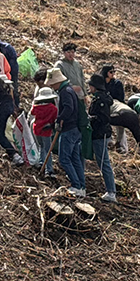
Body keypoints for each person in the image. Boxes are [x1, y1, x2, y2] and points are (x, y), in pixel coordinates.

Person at [49, 67, 87, 197]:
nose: (52, 86)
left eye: (52, 83)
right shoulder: (70, 90)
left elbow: (68, 108)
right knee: (75, 158)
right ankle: (82, 187)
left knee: (64, 159)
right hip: (75, 129)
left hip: (69, 129)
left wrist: (60, 119)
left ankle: (76, 185)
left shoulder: (65, 92)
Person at [86, 75, 120, 202]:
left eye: (91, 85)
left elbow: (104, 118)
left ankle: (111, 192)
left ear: (95, 87)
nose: (89, 88)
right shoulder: (100, 98)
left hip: (100, 134)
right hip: (100, 133)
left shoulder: (101, 100)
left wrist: (91, 119)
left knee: (104, 163)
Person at [30, 86, 59, 172]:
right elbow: (55, 118)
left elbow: (32, 113)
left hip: (37, 129)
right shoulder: (53, 108)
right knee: (48, 150)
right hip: (46, 130)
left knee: (41, 146)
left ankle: (41, 162)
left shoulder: (36, 107)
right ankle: (48, 169)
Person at [99, 65, 128, 152]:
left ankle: (121, 146)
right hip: (105, 106)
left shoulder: (117, 83)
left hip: (116, 106)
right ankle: (109, 142)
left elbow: (121, 97)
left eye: (114, 72)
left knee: (120, 126)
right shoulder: (101, 83)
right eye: (111, 72)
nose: (113, 74)